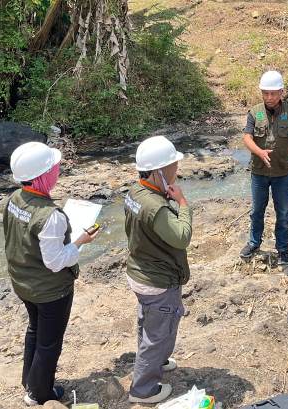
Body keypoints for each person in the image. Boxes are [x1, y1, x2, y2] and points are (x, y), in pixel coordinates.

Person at [2, 142, 98, 406]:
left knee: (35, 330)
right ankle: (40, 393)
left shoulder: (14, 199)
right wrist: (80, 241)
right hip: (51, 290)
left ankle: (30, 381)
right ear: (43, 175)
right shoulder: (50, 215)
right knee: (49, 342)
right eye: (55, 168)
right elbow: (56, 262)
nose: (58, 171)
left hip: (23, 283)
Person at [124, 135, 192, 404]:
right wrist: (183, 204)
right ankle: (143, 390)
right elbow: (181, 236)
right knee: (158, 331)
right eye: (173, 165)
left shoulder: (135, 192)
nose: (177, 169)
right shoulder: (156, 206)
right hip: (157, 279)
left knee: (150, 322)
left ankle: (159, 361)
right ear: (158, 172)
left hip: (140, 271)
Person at [239, 70, 288, 265]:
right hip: (259, 172)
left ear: (281, 92)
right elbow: (247, 137)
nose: (269, 97)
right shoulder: (254, 112)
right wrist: (259, 152)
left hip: (283, 172)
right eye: (266, 93)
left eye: (273, 93)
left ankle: (283, 249)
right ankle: (254, 243)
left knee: (283, 213)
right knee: (257, 210)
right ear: (262, 92)